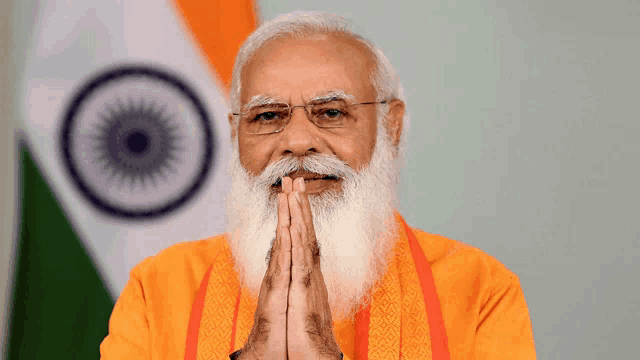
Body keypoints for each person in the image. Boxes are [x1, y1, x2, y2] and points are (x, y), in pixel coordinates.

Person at [100, 11, 536, 360]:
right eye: (267, 116)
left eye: (330, 113)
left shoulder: (480, 290)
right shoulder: (158, 288)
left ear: (391, 126)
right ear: (236, 135)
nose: (298, 142)